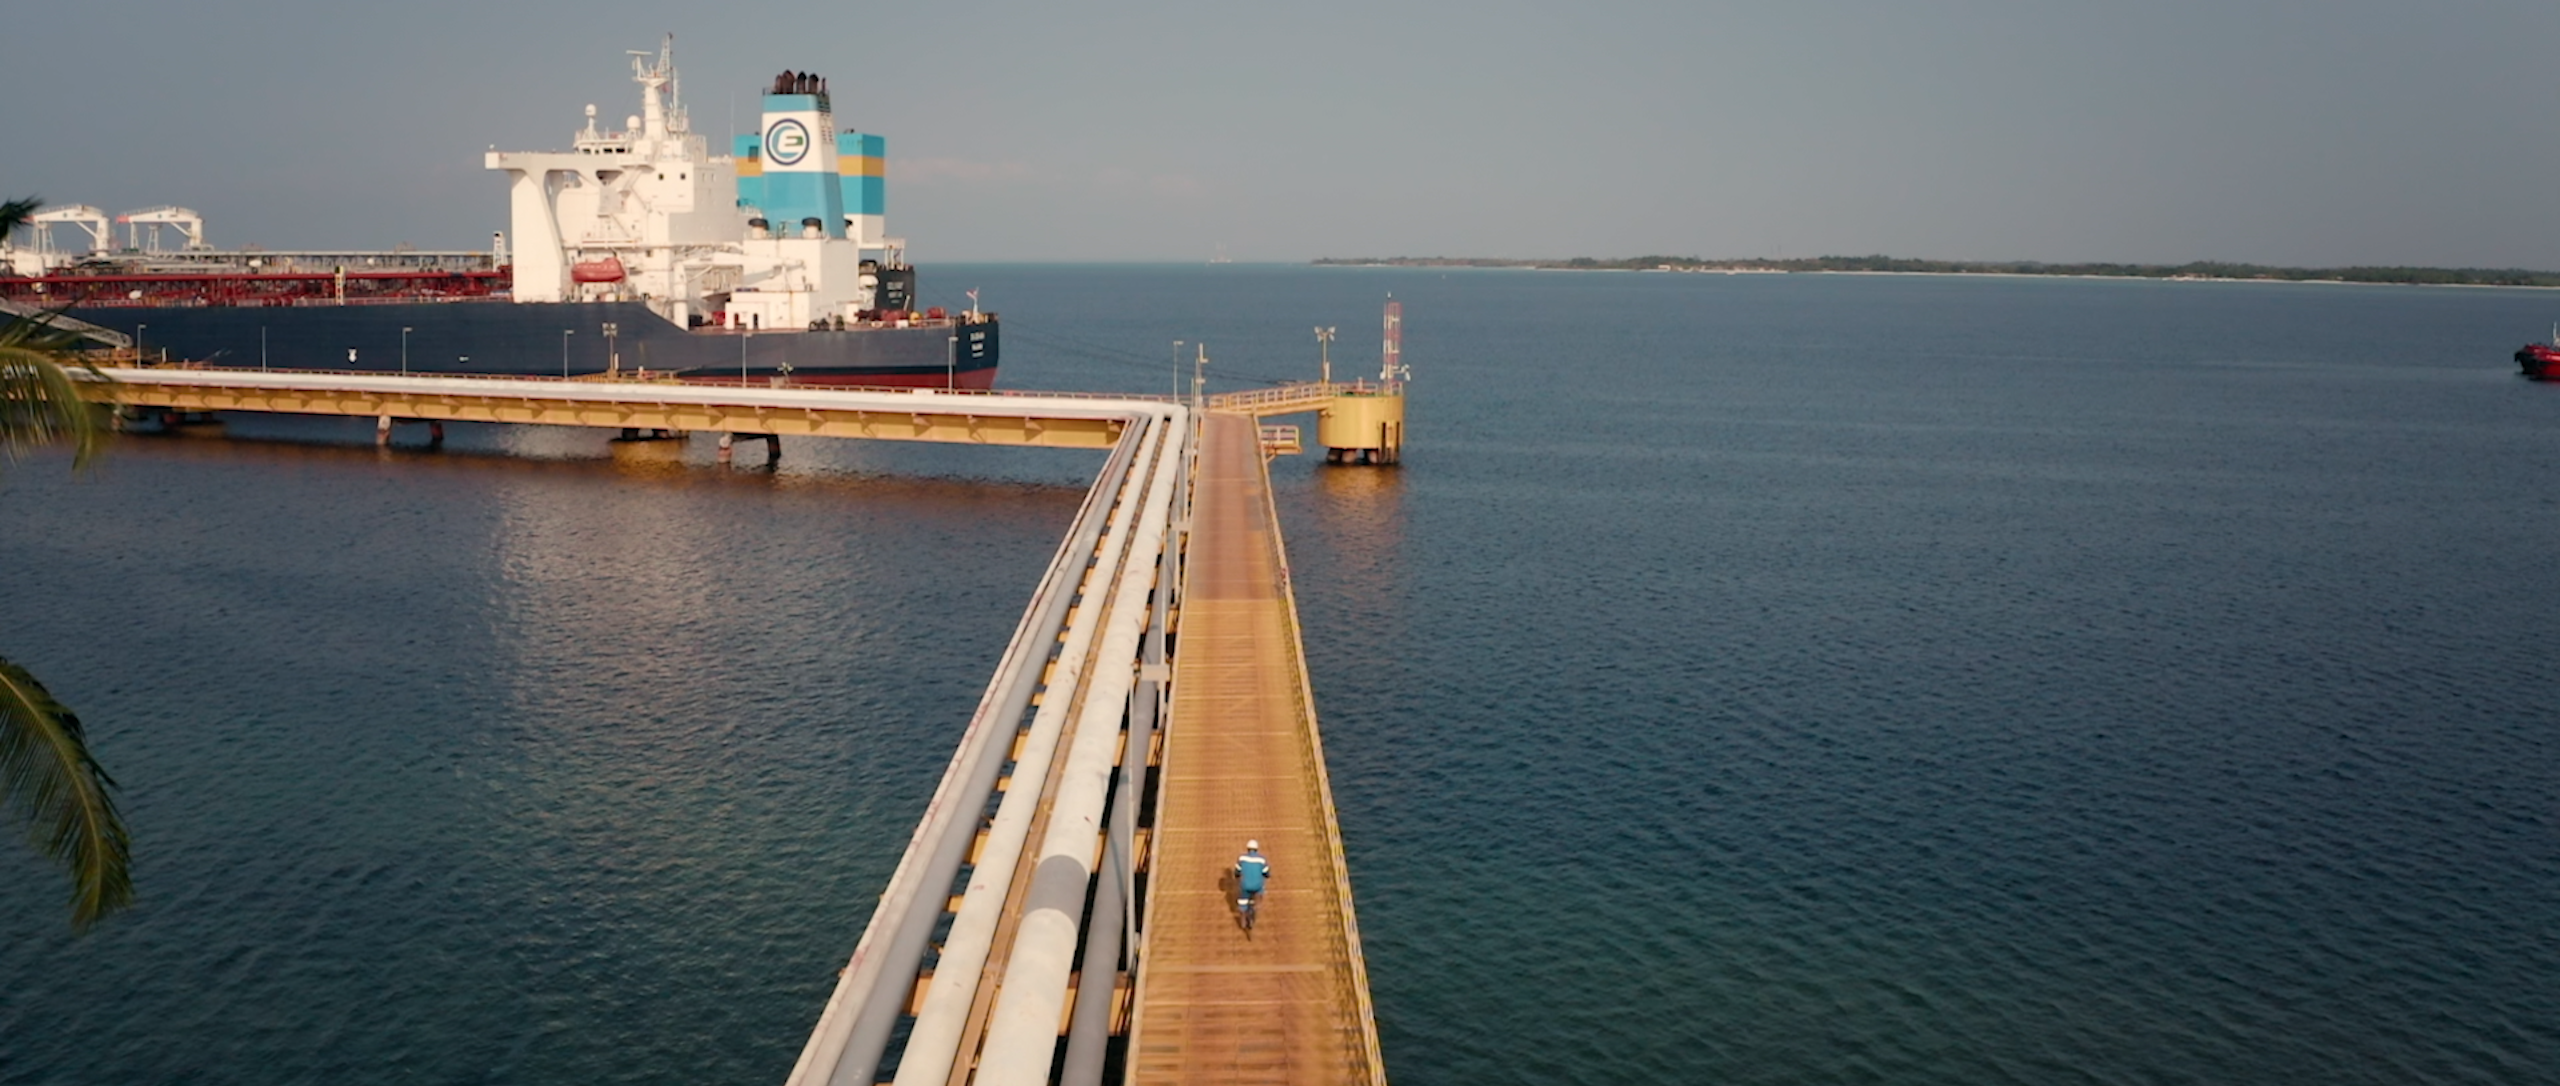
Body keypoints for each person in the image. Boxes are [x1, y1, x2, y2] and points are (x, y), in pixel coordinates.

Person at [1234, 840, 1272, 912]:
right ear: (1257, 849)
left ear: (1247, 849)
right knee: (1260, 891)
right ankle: (1256, 907)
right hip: (1257, 886)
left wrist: (1237, 876)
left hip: (1245, 886)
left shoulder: (1241, 858)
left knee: (1242, 901)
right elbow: (1266, 873)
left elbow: (1237, 872)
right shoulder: (1262, 859)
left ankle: (1243, 917)